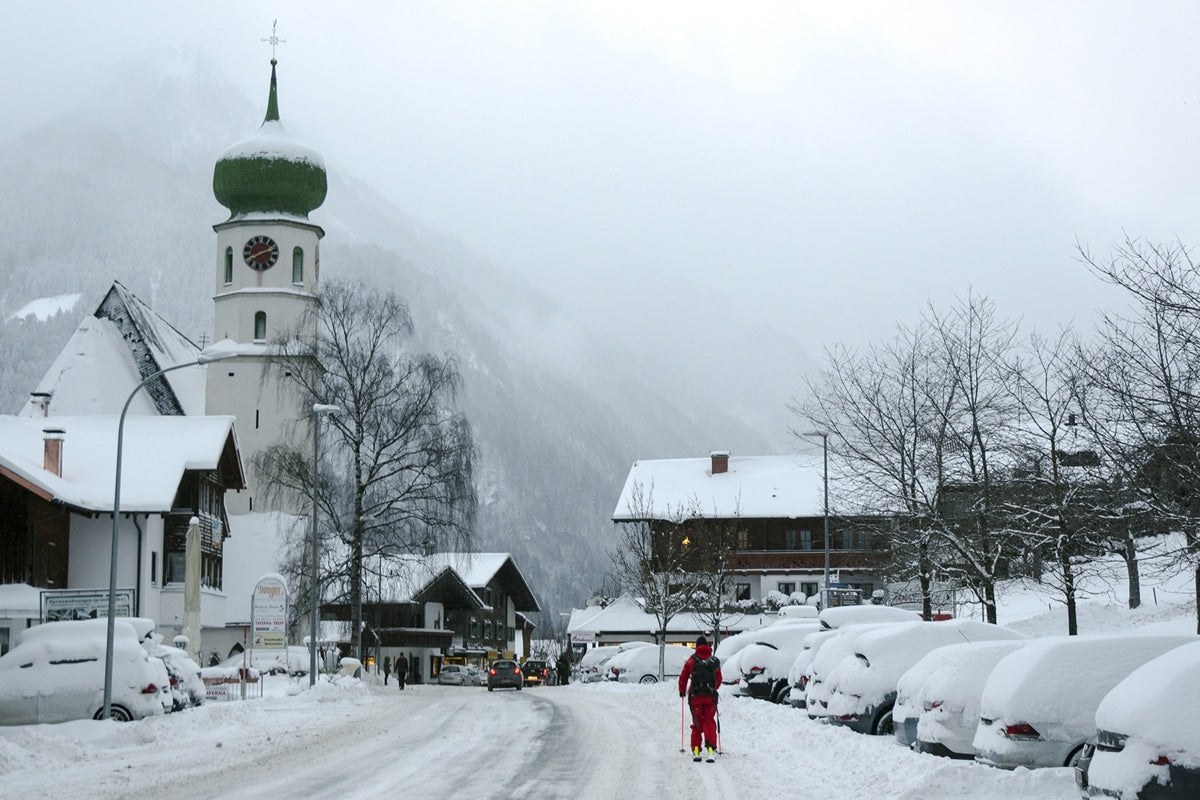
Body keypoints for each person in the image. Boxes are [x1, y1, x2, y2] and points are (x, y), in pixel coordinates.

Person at [677, 634, 722, 762]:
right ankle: (710, 750)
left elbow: (683, 676)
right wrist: (713, 689)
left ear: (696, 646)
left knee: (697, 724)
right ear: (707, 646)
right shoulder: (713, 660)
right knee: (709, 722)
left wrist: (682, 691)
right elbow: (718, 678)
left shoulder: (692, 660)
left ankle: (696, 751)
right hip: (710, 699)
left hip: (695, 698)